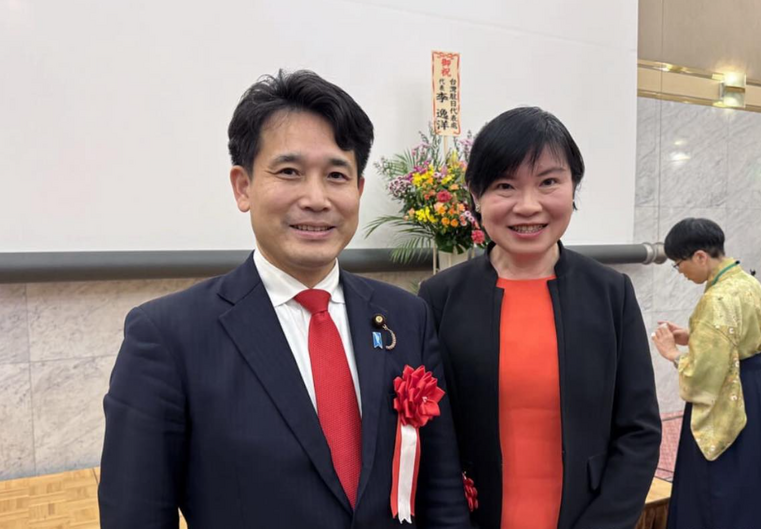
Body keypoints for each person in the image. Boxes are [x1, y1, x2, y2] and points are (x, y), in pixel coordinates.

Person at [98, 70, 470, 529]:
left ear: (357, 190)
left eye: (336, 175)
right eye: (290, 172)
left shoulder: (406, 317)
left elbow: (442, 493)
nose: (316, 198)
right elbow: (135, 513)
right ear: (243, 186)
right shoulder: (169, 337)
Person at [418, 106, 661, 529]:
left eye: (549, 182)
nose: (528, 206)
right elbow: (431, 437)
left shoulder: (610, 293)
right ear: (475, 195)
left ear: (573, 187)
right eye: (504, 186)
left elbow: (639, 432)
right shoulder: (440, 297)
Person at [652, 217, 761, 529]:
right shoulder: (745, 281)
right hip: (758, 387)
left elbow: (704, 374)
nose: (681, 272)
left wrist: (673, 354)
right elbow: (741, 336)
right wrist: (694, 336)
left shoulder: (716, 298)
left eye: (679, 264)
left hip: (731, 391)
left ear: (700, 256)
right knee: (756, 473)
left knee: (719, 481)